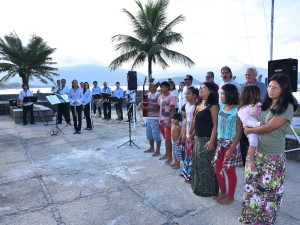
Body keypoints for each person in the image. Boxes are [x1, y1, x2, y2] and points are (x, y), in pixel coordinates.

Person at [239, 74, 298, 225]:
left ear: (283, 89)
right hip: (256, 152)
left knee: (267, 192)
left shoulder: (287, 107)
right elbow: (251, 116)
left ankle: (264, 221)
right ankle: (251, 218)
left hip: (272, 156)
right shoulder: (265, 104)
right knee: (252, 188)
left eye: (275, 87)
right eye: (270, 86)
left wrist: (250, 131)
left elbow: (271, 127)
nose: (271, 90)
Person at [212, 84, 243, 205]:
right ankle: (223, 192)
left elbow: (240, 132)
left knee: (230, 171)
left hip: (231, 144)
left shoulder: (238, 110)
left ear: (230, 94)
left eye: (223, 93)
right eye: (220, 93)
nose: (221, 96)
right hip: (220, 143)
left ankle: (230, 196)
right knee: (217, 168)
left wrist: (232, 149)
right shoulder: (222, 107)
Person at [190, 82, 219, 197]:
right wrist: (190, 133)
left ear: (211, 91)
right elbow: (194, 120)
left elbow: (215, 125)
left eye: (204, 88)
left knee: (207, 167)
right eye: (200, 88)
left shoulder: (213, 106)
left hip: (207, 139)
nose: (201, 90)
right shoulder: (198, 104)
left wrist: (212, 140)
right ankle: (197, 187)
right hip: (198, 138)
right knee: (197, 164)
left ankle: (208, 190)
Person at [240, 66, 267, 166]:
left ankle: (255, 161)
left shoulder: (261, 85)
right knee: (250, 142)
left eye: (249, 74)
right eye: (246, 75)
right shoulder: (243, 85)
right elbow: (241, 100)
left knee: (257, 143)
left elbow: (262, 99)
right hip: (248, 118)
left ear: (255, 75)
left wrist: (255, 106)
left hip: (257, 115)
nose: (247, 76)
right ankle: (249, 161)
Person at [238, 85, 262, 173]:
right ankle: (251, 161)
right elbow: (246, 121)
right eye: (257, 93)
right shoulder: (243, 109)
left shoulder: (258, 105)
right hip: (251, 129)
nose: (259, 95)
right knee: (253, 142)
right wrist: (258, 124)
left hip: (260, 127)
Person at [180, 86, 198, 182]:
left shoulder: (197, 106)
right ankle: (187, 174)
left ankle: (192, 175)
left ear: (194, 95)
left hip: (194, 134)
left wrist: (193, 134)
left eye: (188, 93)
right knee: (187, 154)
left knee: (193, 155)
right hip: (187, 134)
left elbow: (198, 122)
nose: (186, 95)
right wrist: (184, 133)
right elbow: (187, 120)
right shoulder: (187, 106)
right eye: (185, 93)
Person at [139, 78, 162, 156]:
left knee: (156, 134)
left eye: (151, 86)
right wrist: (140, 105)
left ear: (155, 87)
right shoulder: (148, 94)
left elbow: (158, 107)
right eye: (149, 86)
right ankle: (152, 148)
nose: (150, 87)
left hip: (155, 117)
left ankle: (158, 150)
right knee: (149, 134)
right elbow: (143, 101)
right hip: (148, 117)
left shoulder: (158, 95)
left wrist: (147, 108)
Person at [157, 81, 176, 164]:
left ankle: (170, 157)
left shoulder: (171, 97)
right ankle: (166, 154)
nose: (161, 88)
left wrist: (169, 120)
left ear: (167, 87)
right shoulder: (160, 97)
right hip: (160, 121)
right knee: (165, 139)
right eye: (161, 87)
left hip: (167, 122)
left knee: (168, 140)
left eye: (163, 87)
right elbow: (159, 107)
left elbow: (173, 110)